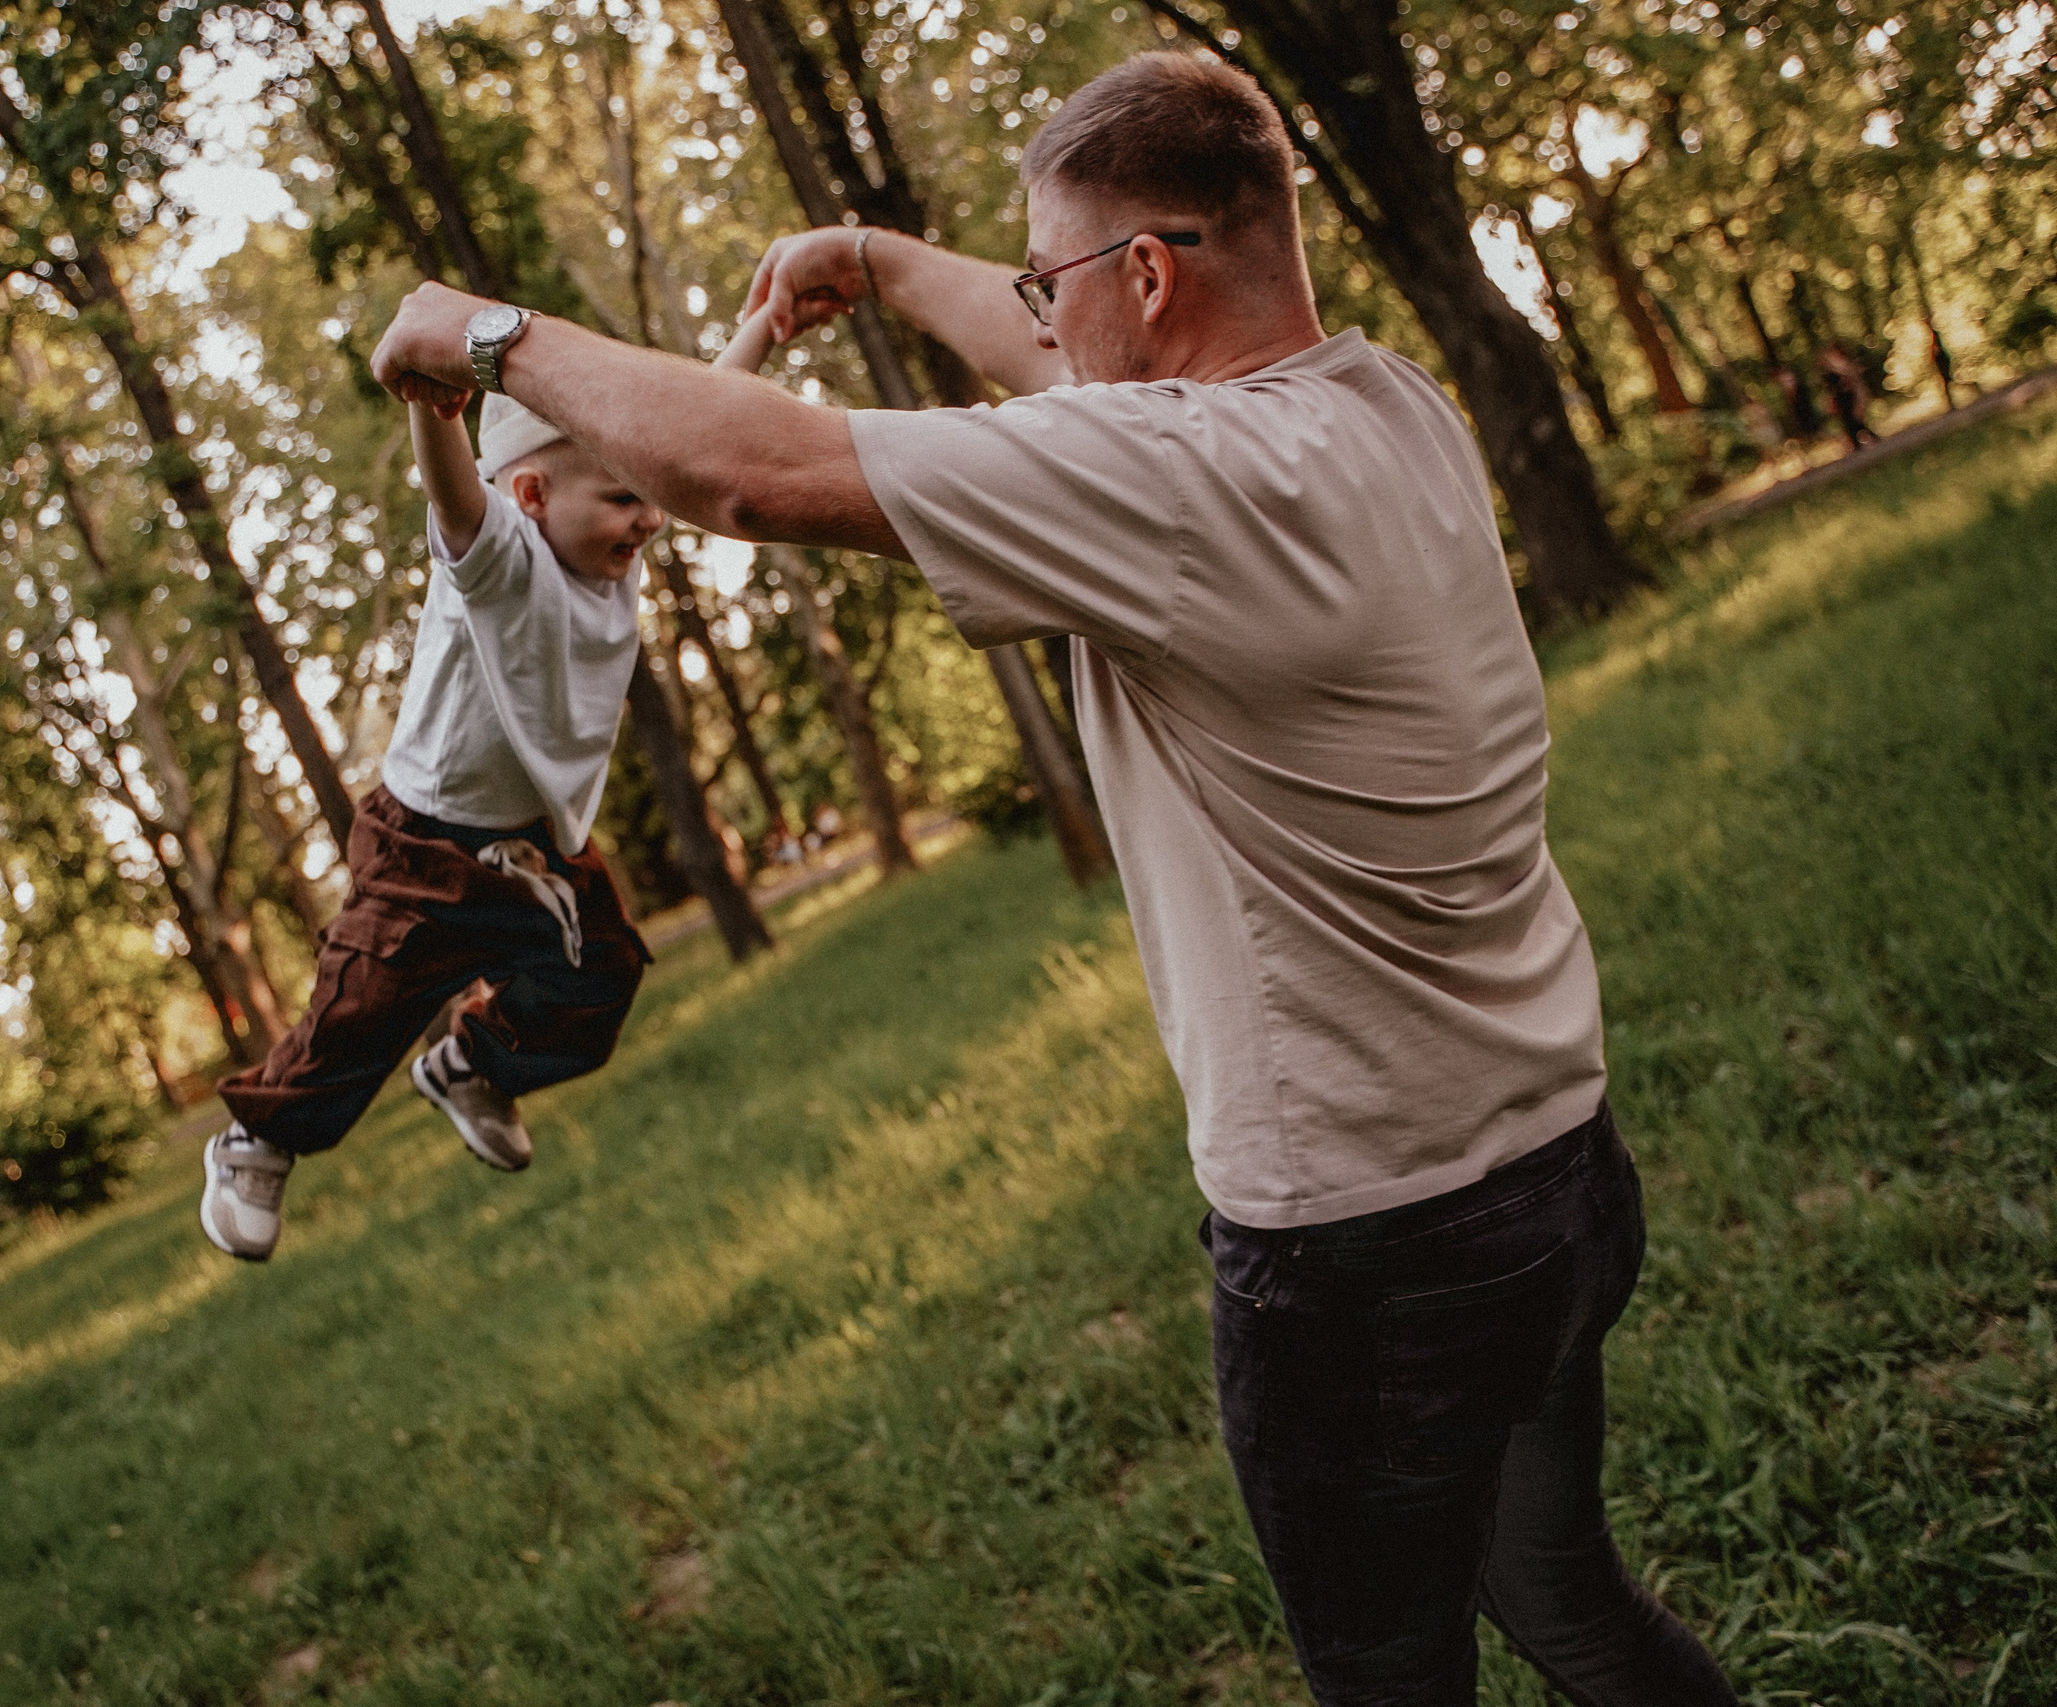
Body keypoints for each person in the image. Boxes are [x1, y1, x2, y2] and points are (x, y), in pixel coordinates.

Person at [366, 47, 1742, 1707]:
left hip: (1373, 1254)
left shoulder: (1168, 482)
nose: (1033, 320)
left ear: (1148, 274)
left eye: (1050, 278)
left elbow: (739, 471)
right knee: (1569, 1597)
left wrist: (484, 339)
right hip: (1559, 1162)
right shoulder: (1381, 404)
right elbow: (1064, 348)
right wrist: (870, 261)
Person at [196, 390, 664, 1262]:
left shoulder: (603, 552)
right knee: (356, 1018)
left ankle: (472, 1065)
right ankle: (258, 1141)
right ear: (528, 495)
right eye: (623, 500)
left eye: (646, 496)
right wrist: (431, 399)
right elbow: (455, 497)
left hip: (536, 845)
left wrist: (761, 327)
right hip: (428, 847)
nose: (651, 519)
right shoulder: (497, 557)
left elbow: (683, 431)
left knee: (601, 979)